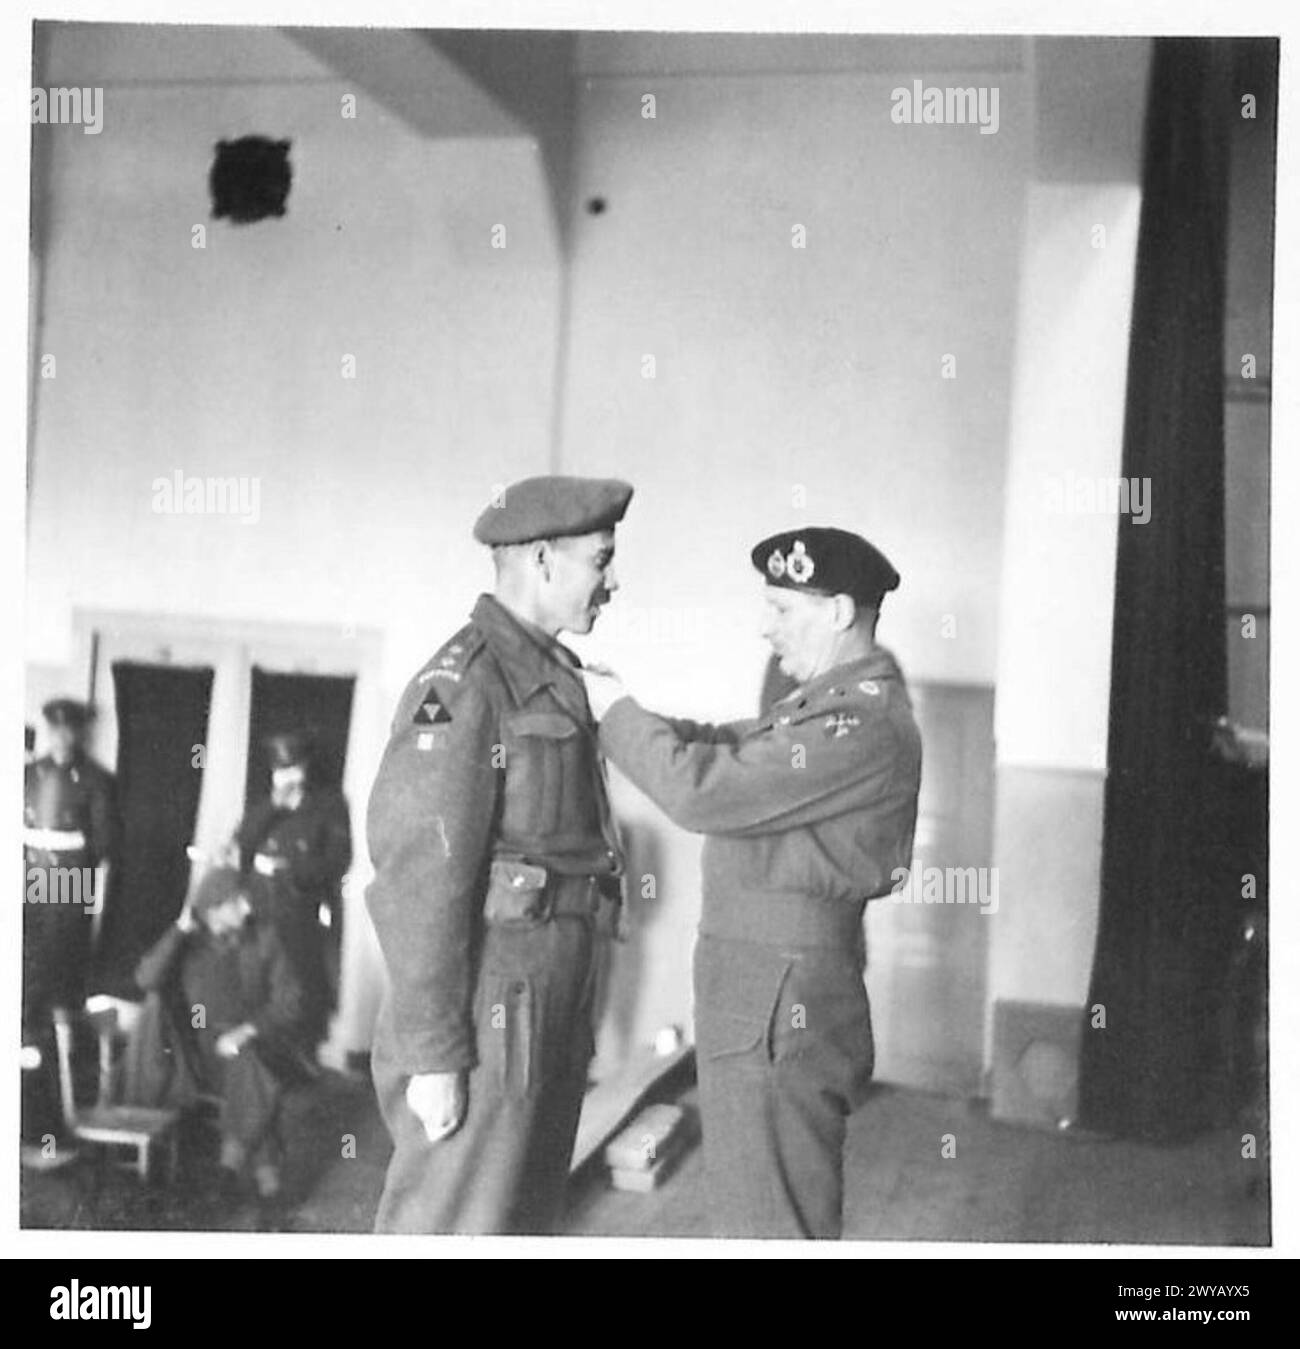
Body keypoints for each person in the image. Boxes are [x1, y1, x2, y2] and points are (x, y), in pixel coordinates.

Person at [582, 526, 922, 1239]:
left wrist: (613, 712)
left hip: (780, 997)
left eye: (782, 608)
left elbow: (703, 791)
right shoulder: (822, 705)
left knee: (770, 1222)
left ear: (837, 612)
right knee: (753, 1208)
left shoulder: (858, 721)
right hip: (763, 989)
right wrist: (612, 713)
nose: (764, 627)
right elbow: (719, 741)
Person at [366, 474, 632, 1234]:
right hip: (489, 1019)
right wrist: (434, 1053)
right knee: (452, 1224)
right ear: (544, 561)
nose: (614, 580)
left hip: (545, 1006)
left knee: (519, 1224)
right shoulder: (466, 682)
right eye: (601, 559)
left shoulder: (557, 677)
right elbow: (419, 873)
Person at [130, 866, 305, 1202]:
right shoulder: (188, 943)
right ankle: (270, 1191)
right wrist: (178, 931)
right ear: (213, 909)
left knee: (250, 1065)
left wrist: (246, 1031)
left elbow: (291, 1001)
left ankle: (230, 1172)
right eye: (237, 903)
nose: (248, 908)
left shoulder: (265, 937)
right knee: (257, 1080)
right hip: (196, 1056)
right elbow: (146, 979)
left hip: (254, 1044)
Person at [22, 698, 120, 1156]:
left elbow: (101, 846)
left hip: (68, 880)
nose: (62, 739)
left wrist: (63, 864)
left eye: (70, 731)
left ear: (79, 734)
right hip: (26, 876)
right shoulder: (28, 773)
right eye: (55, 730)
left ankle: (55, 1103)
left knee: (56, 979)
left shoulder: (97, 780)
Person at [231, 731, 351, 1051]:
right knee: (255, 990)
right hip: (258, 919)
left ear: (305, 769)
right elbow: (242, 844)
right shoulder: (264, 808)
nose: (286, 778)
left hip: (300, 916)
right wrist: (273, 807)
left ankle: (300, 1065)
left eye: (292, 769)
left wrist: (290, 872)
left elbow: (338, 860)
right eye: (280, 771)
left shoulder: (329, 806)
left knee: (299, 997)